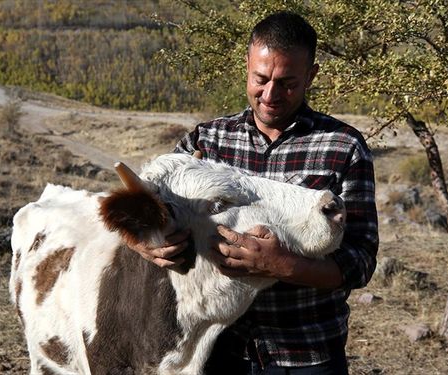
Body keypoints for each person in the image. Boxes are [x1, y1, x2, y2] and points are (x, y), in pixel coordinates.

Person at [128, 11, 378, 375]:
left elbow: (361, 261)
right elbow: (146, 208)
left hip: (305, 353)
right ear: (246, 65)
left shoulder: (344, 148)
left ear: (312, 75)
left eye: (288, 83)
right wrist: (147, 244)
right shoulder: (206, 141)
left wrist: (280, 265)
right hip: (213, 348)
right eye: (260, 79)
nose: (271, 94)